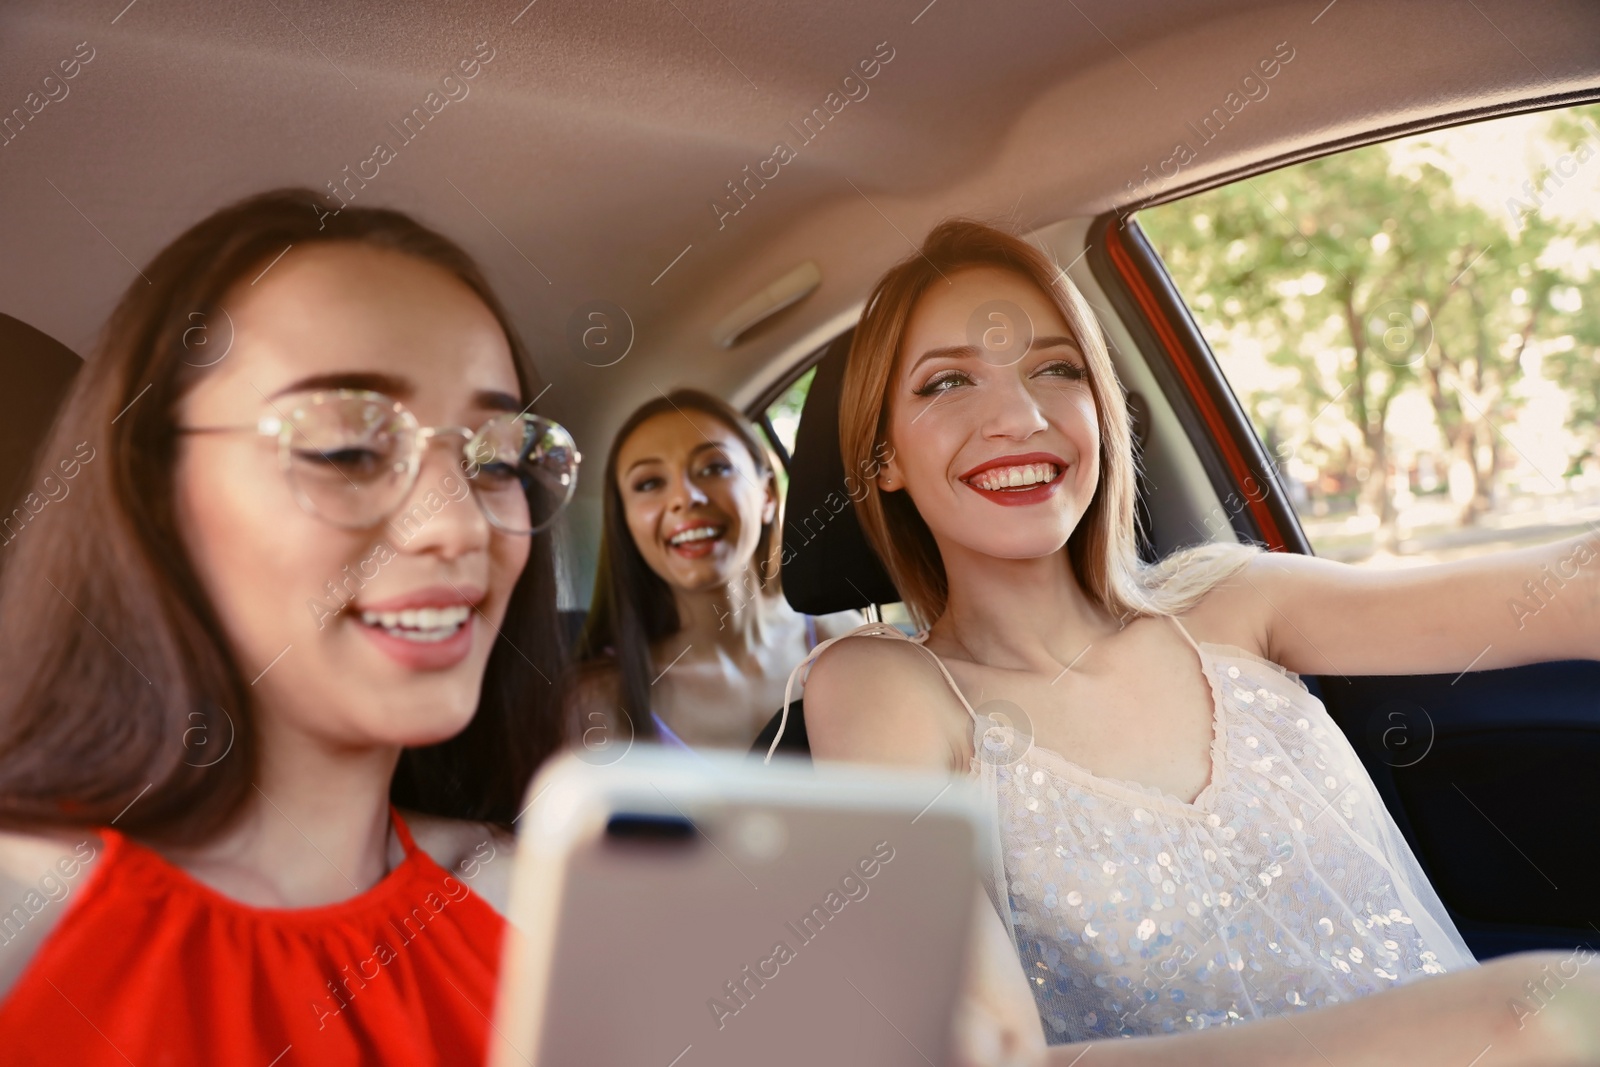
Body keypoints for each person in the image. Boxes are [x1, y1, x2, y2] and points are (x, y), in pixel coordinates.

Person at [778, 219, 1600, 1064]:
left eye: (1056, 369)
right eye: (947, 382)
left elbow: (1571, 589)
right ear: (882, 458)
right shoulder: (882, 687)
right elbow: (980, 1050)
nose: (1018, 416)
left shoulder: (1232, 599)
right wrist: (1495, 1024)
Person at [0, 189, 578, 1065]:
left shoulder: (548, 913)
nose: (457, 525)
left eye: (493, 457)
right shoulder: (22, 916)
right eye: (346, 447)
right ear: (156, 490)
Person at [572, 389, 858, 752]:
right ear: (625, 522)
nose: (685, 497)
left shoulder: (841, 640)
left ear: (768, 495)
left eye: (714, 467)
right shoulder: (593, 704)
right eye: (649, 483)